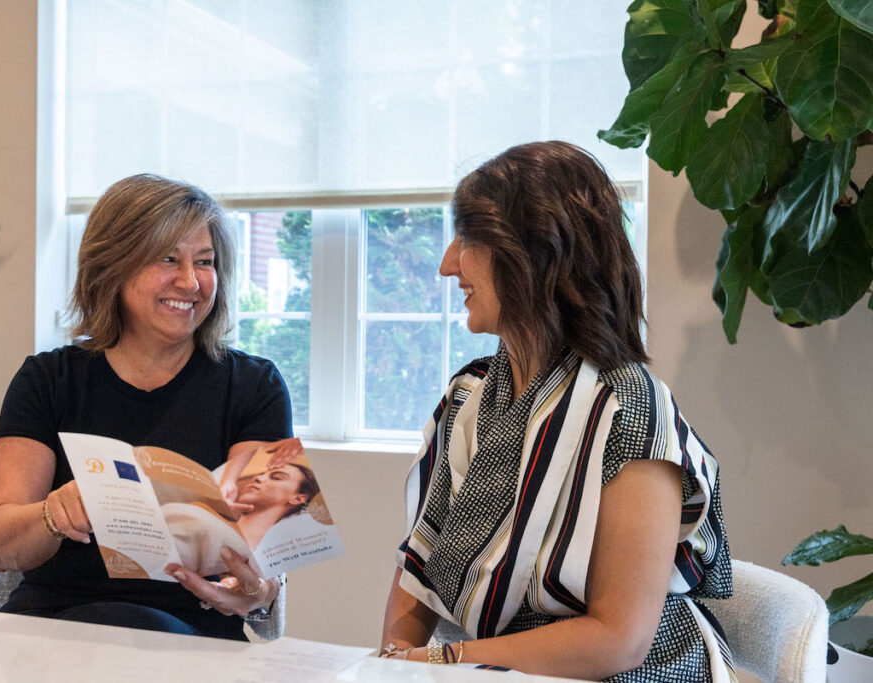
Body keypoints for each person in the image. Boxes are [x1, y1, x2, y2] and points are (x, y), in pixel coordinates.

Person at [379, 141, 733, 681]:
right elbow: (418, 570)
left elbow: (618, 641)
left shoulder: (630, 408)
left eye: (469, 239)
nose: (449, 264)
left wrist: (437, 661)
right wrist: (390, 668)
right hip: (497, 670)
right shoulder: (468, 395)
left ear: (534, 253)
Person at [0, 174, 290, 640]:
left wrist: (258, 594)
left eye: (204, 262)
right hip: (52, 629)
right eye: (168, 258)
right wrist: (54, 513)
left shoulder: (254, 386)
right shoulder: (47, 380)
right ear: (113, 266)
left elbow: (263, 551)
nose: (190, 281)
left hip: (190, 634)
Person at [162, 460, 320, 575]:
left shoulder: (257, 559)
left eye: (277, 477)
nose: (259, 478)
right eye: (262, 473)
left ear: (298, 498)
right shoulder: (201, 508)